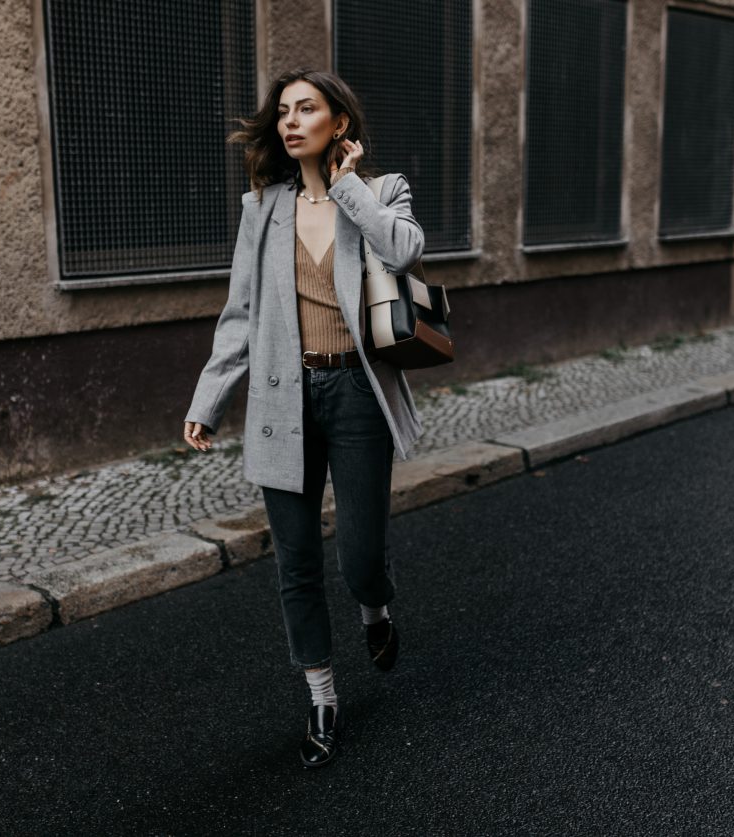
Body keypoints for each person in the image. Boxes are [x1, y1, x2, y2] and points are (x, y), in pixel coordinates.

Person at [182, 68, 425, 769]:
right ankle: (321, 696)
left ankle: (374, 610)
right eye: (282, 112)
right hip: (283, 398)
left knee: (359, 558)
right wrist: (209, 397)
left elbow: (404, 250)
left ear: (337, 124)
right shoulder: (260, 209)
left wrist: (346, 186)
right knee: (295, 563)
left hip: (356, 396)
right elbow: (241, 314)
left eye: (306, 109)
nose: (290, 121)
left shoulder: (381, 191)